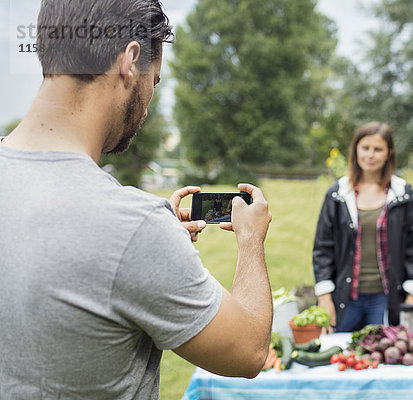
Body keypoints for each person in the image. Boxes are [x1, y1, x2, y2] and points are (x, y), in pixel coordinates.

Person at [0, 1, 272, 398]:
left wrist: (146, 249)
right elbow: (249, 351)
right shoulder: (133, 226)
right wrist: (250, 240)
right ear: (130, 61)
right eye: (155, 81)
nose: (147, 105)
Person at [312, 121, 413, 332]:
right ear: (355, 150)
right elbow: (323, 248)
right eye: (365, 148)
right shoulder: (338, 194)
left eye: (378, 149)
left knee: (381, 355)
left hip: (385, 298)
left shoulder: (403, 194)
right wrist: (324, 296)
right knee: (340, 355)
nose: (371, 155)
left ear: (389, 153)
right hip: (346, 297)